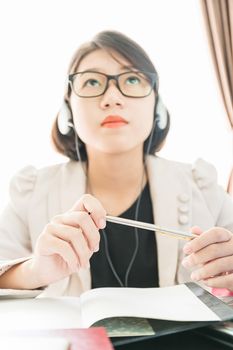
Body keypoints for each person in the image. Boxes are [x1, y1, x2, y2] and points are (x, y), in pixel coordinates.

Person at [0, 30, 232, 297]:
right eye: (91, 83)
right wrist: (35, 270)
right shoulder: (30, 191)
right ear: (68, 108)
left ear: (156, 104)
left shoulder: (200, 186)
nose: (112, 98)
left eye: (132, 79)